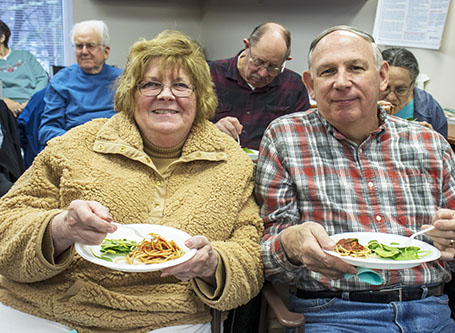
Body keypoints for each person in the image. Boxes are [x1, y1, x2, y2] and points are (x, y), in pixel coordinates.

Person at [0, 29, 263, 332]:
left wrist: (212, 265)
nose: (166, 95)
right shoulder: (76, 145)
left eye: (180, 85)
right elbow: (6, 225)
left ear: (200, 97)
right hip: (46, 307)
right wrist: (60, 228)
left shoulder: (232, 164)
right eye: (151, 84)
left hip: (163, 318)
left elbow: (250, 262)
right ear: (130, 94)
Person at [255, 25, 455, 332]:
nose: (342, 82)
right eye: (328, 71)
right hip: (335, 314)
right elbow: (261, 259)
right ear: (310, 84)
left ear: (382, 76)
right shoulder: (285, 138)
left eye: (356, 68)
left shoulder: (428, 143)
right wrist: (288, 245)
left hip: (432, 312)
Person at [209, 22, 310, 150]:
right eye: (258, 62)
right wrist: (212, 130)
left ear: (286, 61)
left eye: (273, 67)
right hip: (217, 159)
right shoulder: (211, 74)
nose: (262, 73)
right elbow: (186, 126)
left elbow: (302, 138)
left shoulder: (294, 86)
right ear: (247, 46)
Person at [38, 19, 123, 147]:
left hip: (113, 144)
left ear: (106, 51)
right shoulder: (61, 81)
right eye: (79, 46)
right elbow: (47, 129)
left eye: (90, 46)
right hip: (74, 145)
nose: (84, 52)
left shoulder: (122, 79)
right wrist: (77, 141)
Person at [380, 47, 448, 138]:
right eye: (385, 88)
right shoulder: (362, 103)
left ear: (412, 85)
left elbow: (443, 149)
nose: (391, 97)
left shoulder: (429, 108)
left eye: (401, 90)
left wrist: (432, 139)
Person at [0, 19, 49, 118]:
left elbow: (42, 78)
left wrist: (31, 102)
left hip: (33, 102)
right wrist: (5, 101)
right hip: (5, 108)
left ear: (2, 37)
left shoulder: (25, 56)